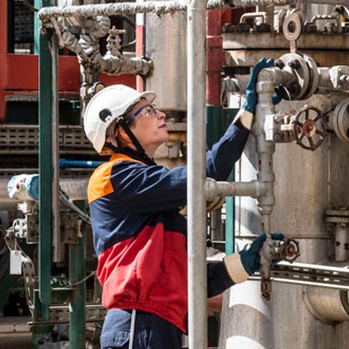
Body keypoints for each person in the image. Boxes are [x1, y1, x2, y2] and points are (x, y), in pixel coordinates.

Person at [84, 58, 282, 349]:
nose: (160, 113)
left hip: (156, 327)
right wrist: (245, 116)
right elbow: (207, 173)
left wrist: (247, 261)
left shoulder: (153, 202)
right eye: (148, 110)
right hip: (138, 325)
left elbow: (191, 281)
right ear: (119, 130)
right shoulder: (115, 176)